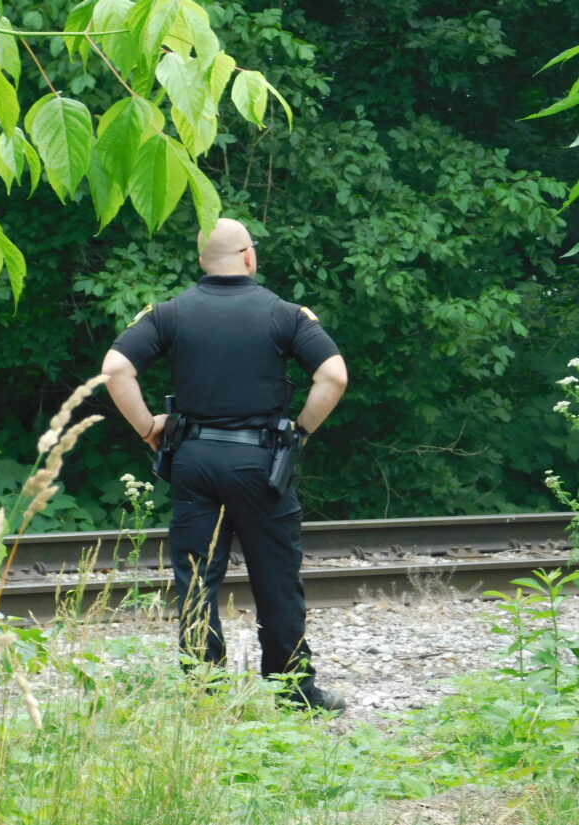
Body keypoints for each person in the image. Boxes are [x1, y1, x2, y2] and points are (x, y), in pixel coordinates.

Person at [100, 217, 348, 713]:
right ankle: (294, 691)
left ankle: (203, 691)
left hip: (193, 459)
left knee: (196, 578)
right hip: (261, 463)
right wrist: (298, 431)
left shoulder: (170, 313)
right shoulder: (284, 314)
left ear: (201, 261)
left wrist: (149, 426)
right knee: (276, 578)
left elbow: (115, 369)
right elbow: (333, 376)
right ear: (249, 257)